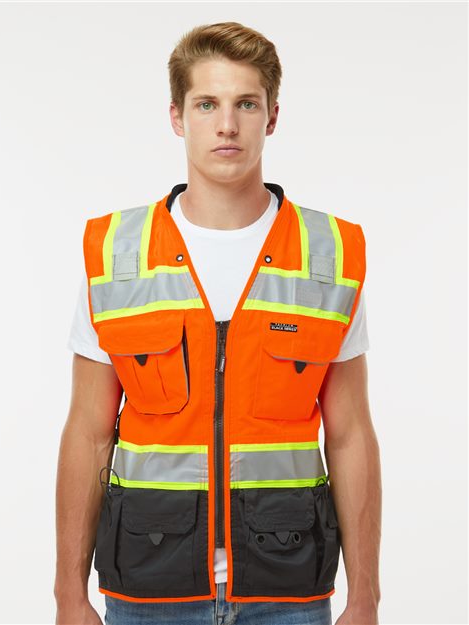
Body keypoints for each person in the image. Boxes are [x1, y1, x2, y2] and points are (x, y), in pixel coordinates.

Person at [54, 21, 382, 625]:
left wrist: (365, 597)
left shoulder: (328, 256)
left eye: (245, 104)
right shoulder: (119, 255)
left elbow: (350, 436)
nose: (226, 124)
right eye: (207, 104)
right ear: (177, 117)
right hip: (148, 590)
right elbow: (89, 432)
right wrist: (68, 595)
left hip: (289, 590)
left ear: (272, 117)